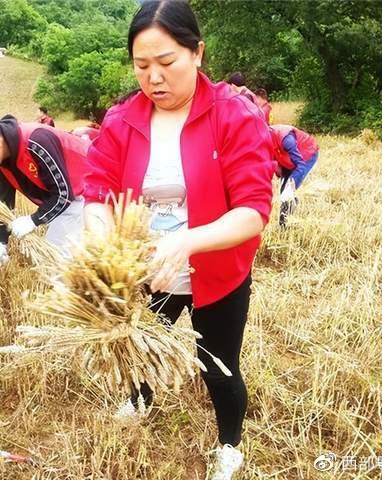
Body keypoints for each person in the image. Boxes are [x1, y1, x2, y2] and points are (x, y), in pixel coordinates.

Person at [83, 2, 273, 479]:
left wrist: (186, 243)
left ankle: (229, 443)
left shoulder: (234, 114)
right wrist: (108, 248)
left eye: (167, 63)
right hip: (148, 273)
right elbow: (97, 191)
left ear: (198, 53)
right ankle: (140, 400)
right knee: (138, 346)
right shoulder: (122, 120)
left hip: (216, 274)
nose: (154, 78)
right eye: (142, 65)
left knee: (219, 367)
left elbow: (253, 210)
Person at [0, 112, 90, 265]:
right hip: (70, 200)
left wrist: (33, 220)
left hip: (90, 192)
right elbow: (3, 202)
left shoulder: (36, 142)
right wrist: (0, 242)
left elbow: (63, 195)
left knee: (55, 261)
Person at [270, 124, 319, 226]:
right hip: (287, 157)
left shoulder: (286, 140)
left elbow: (300, 165)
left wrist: (290, 186)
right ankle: (283, 223)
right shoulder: (263, 141)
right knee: (283, 190)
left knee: (286, 192)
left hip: (306, 155)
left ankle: (284, 223)